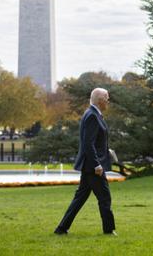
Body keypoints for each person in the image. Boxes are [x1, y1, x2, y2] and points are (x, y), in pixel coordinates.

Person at [54, 87, 117, 236]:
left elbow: (92, 142)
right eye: (107, 98)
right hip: (94, 167)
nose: (108, 101)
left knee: (80, 198)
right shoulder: (92, 116)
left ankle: (61, 228)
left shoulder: (93, 114)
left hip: (90, 166)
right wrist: (97, 164)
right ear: (100, 100)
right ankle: (109, 230)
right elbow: (88, 144)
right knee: (105, 198)